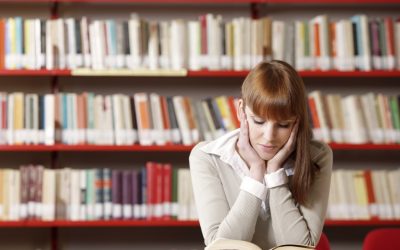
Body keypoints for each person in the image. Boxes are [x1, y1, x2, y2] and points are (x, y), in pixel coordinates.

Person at [189, 60, 332, 250]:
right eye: (258, 121)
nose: (269, 137)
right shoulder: (206, 156)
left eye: (283, 125)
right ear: (241, 111)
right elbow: (220, 246)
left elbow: (301, 247)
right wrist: (256, 174)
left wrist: (274, 175)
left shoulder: (318, 156)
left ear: (298, 121)